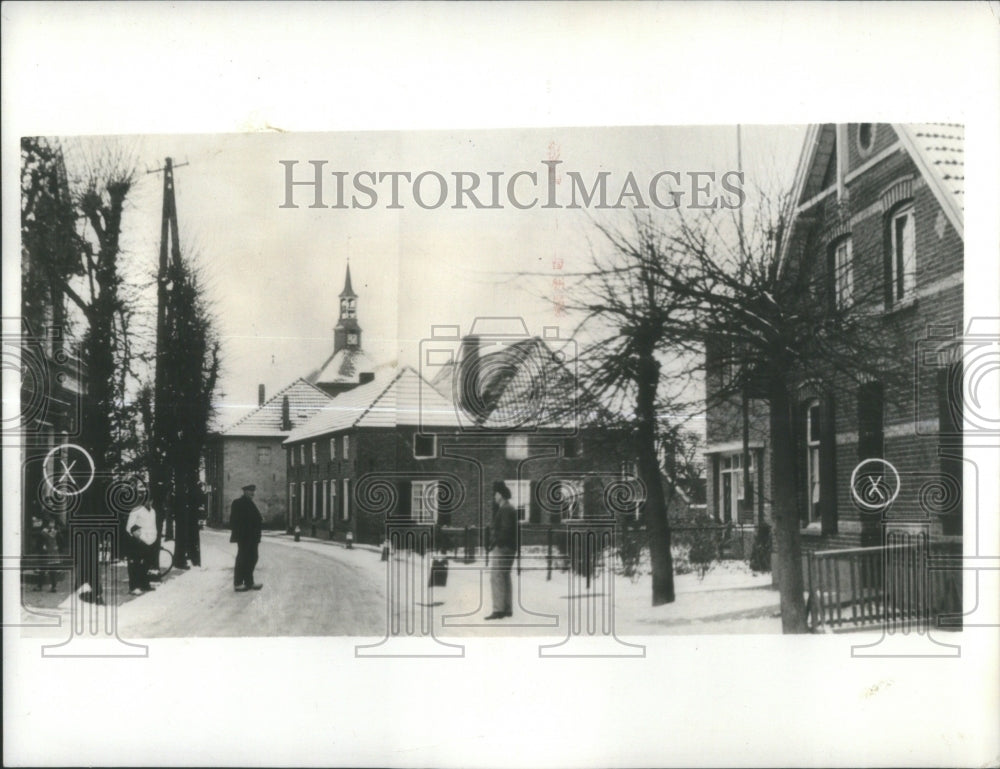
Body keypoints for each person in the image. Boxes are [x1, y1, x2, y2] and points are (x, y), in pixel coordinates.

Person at [486, 480, 517, 620]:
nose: (494, 496)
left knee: (496, 577)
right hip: (510, 548)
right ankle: (507, 608)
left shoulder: (505, 509)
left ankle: (498, 610)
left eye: (495, 494)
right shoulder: (510, 508)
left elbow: (505, 530)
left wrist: (496, 543)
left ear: (501, 495)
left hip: (503, 548)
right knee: (505, 576)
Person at [230, 484, 263, 592]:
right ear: (244, 491)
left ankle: (249, 582)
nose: (252, 493)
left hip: (253, 537)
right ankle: (238, 583)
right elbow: (234, 521)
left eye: (253, 491)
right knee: (243, 558)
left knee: (253, 558)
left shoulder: (250, 503)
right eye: (250, 491)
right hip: (244, 537)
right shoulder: (238, 503)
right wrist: (241, 534)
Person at [125, 501, 158, 595]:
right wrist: (137, 535)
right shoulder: (136, 510)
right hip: (137, 541)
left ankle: (144, 584)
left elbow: (153, 526)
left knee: (146, 564)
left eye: (151, 499)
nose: (149, 502)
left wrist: (153, 538)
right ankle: (133, 587)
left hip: (149, 541)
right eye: (147, 500)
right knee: (135, 564)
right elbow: (129, 526)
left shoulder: (153, 511)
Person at [36, 519, 62, 592]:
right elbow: (38, 543)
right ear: (47, 524)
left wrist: (58, 546)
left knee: (53, 571)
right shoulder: (43, 532)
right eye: (50, 522)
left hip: (53, 554)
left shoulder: (56, 532)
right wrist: (42, 546)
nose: (52, 524)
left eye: (53, 522)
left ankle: (54, 587)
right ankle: (39, 586)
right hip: (45, 553)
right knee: (42, 570)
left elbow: (60, 541)